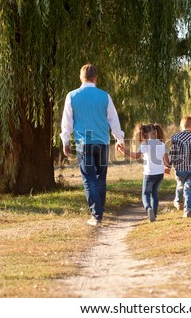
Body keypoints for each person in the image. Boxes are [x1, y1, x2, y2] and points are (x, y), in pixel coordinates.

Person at [60, 64, 125, 226]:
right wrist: (119, 140)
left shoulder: (72, 96)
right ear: (96, 78)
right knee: (100, 178)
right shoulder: (105, 96)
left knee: (89, 179)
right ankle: (99, 211)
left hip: (84, 144)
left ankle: (97, 215)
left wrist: (65, 141)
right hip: (102, 143)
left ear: (81, 78)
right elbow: (113, 120)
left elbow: (67, 122)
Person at [117, 123, 169, 222]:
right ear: (156, 132)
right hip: (159, 174)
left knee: (145, 194)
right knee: (154, 194)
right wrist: (167, 167)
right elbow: (166, 160)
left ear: (144, 134)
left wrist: (125, 151)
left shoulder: (144, 144)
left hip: (149, 174)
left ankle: (148, 208)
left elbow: (136, 156)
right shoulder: (161, 144)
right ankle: (155, 214)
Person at [168, 116, 191, 218]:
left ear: (181, 126)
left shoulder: (175, 138)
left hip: (179, 169)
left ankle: (178, 201)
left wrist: (168, 166)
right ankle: (188, 210)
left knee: (180, 186)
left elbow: (172, 153)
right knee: (188, 189)